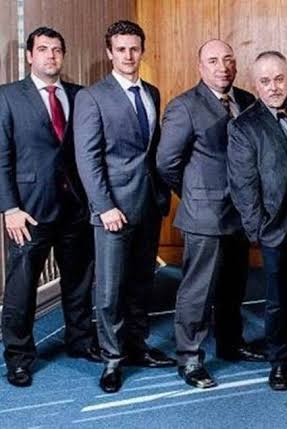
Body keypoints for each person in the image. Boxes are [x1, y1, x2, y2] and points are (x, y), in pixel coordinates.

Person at [74, 20, 174, 393]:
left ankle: (137, 346)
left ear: (142, 51)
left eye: (134, 48)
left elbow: (151, 152)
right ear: (109, 53)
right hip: (112, 210)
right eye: (121, 49)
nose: (128, 55)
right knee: (110, 290)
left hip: (147, 204)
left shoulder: (152, 92)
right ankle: (112, 359)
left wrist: (160, 196)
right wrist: (104, 206)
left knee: (141, 282)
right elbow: (88, 159)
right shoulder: (92, 97)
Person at [157, 39, 261, 390]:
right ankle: (189, 358)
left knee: (234, 286)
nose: (223, 67)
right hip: (204, 215)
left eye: (228, 60)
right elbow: (166, 163)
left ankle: (231, 344)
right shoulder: (184, 106)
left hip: (240, 213)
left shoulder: (246, 100)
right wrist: (193, 195)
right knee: (197, 291)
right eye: (213, 61)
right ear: (200, 67)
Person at [0, 27, 100, 388]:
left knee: (79, 281)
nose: (51, 56)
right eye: (43, 49)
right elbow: (1, 157)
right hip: (29, 212)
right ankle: (18, 358)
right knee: (21, 288)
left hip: (75, 207)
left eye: (57, 49)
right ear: (30, 56)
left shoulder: (80, 95)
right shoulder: (8, 97)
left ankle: (81, 341)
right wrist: (9, 208)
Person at [227, 50, 287, 391]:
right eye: (265, 81)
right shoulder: (243, 126)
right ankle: (280, 362)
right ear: (255, 85)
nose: (274, 87)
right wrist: (259, 230)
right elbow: (243, 185)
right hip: (275, 227)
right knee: (278, 300)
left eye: (279, 79)